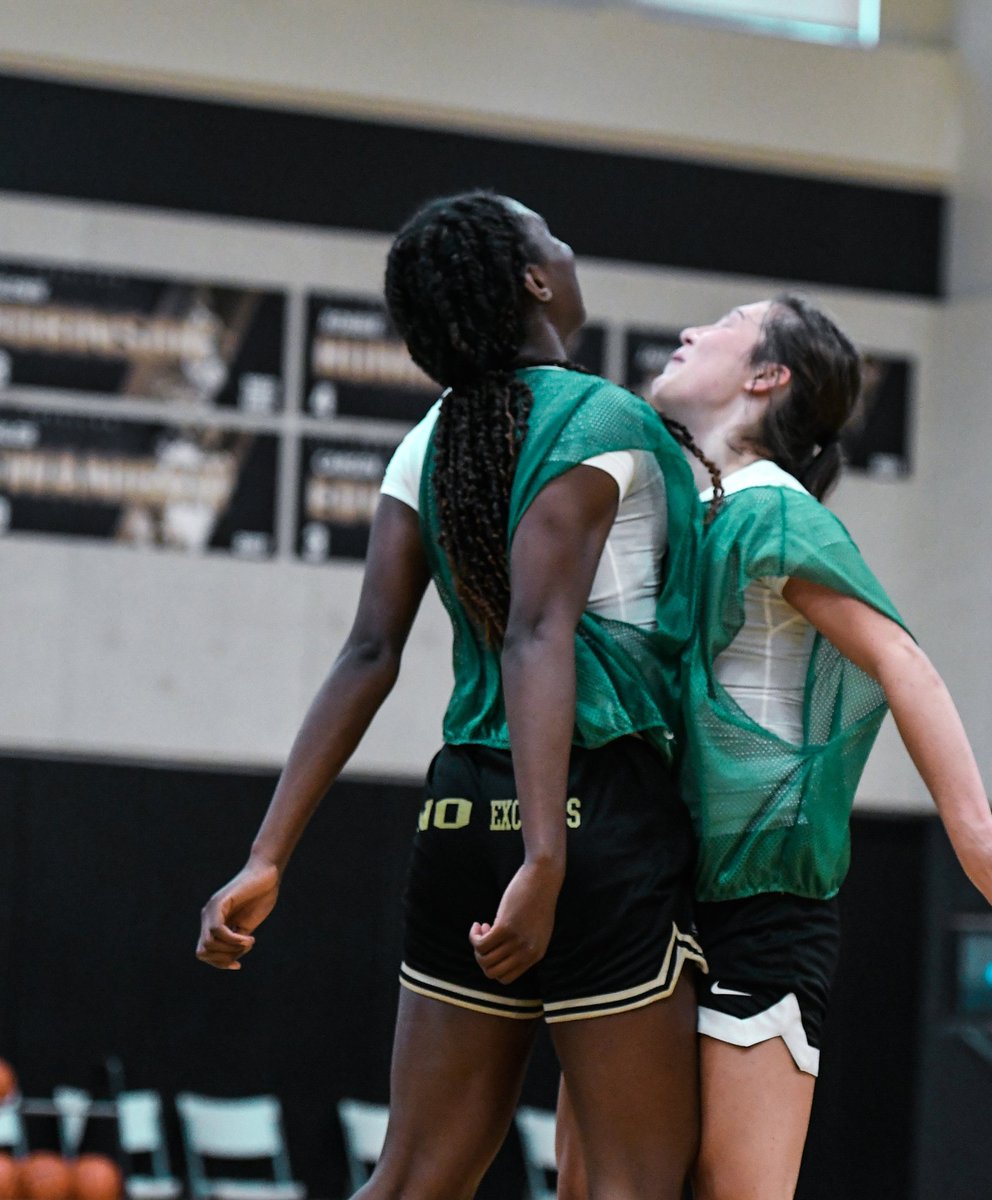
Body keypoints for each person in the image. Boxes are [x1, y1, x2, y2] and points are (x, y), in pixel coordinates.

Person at [195, 191, 709, 1200]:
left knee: (412, 1178)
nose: (569, 247)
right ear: (532, 279)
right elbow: (536, 630)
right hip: (594, 813)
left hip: (461, 808)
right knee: (634, 1184)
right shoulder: (604, 416)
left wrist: (267, 857)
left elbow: (366, 652)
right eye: (552, 237)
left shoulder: (427, 437)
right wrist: (548, 857)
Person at [557, 294, 992, 1200]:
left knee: (736, 1190)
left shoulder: (775, 513)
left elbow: (901, 658)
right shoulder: (669, 507)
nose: (694, 328)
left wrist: (972, 830)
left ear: (766, 376)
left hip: (758, 904)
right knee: (589, 1189)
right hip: (642, 889)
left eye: (729, 321)